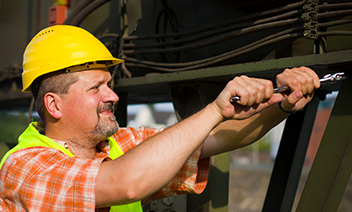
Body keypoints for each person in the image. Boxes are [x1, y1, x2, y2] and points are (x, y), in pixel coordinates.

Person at [0, 25, 320, 212]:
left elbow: (218, 137)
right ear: (54, 106)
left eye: (109, 85)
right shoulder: (25, 166)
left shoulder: (117, 145)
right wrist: (213, 110)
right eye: (96, 88)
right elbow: (124, 184)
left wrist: (281, 105)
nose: (112, 96)